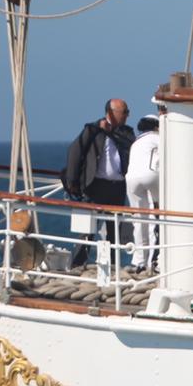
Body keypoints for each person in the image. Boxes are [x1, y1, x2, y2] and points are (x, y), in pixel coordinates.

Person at [63, 98, 134, 268]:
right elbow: (75, 151)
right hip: (96, 186)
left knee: (113, 230)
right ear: (111, 113)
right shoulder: (93, 130)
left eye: (127, 112)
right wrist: (72, 180)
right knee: (88, 228)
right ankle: (78, 264)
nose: (127, 116)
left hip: (117, 187)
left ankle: (112, 266)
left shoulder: (127, 134)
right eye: (124, 112)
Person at [124, 114, 161, 271]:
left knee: (139, 220)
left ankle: (139, 260)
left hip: (132, 179)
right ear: (156, 126)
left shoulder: (136, 142)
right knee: (158, 217)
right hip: (152, 175)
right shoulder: (158, 138)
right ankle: (156, 260)